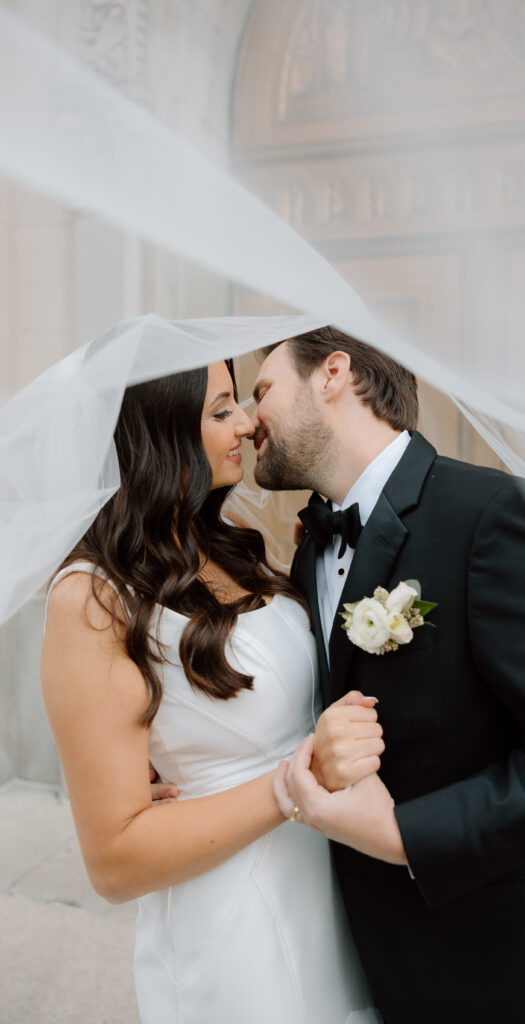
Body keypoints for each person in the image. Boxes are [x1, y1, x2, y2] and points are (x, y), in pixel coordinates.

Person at [249, 325, 525, 1024]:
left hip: (517, 964)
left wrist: (405, 835)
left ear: (333, 374)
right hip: (390, 956)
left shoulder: (491, 515)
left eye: (262, 390)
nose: (251, 418)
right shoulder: (310, 552)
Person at [41, 358, 382, 1024]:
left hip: (331, 885)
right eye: (220, 409)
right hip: (236, 925)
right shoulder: (92, 598)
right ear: (158, 432)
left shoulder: (220, 544)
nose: (248, 423)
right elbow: (113, 860)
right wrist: (295, 780)